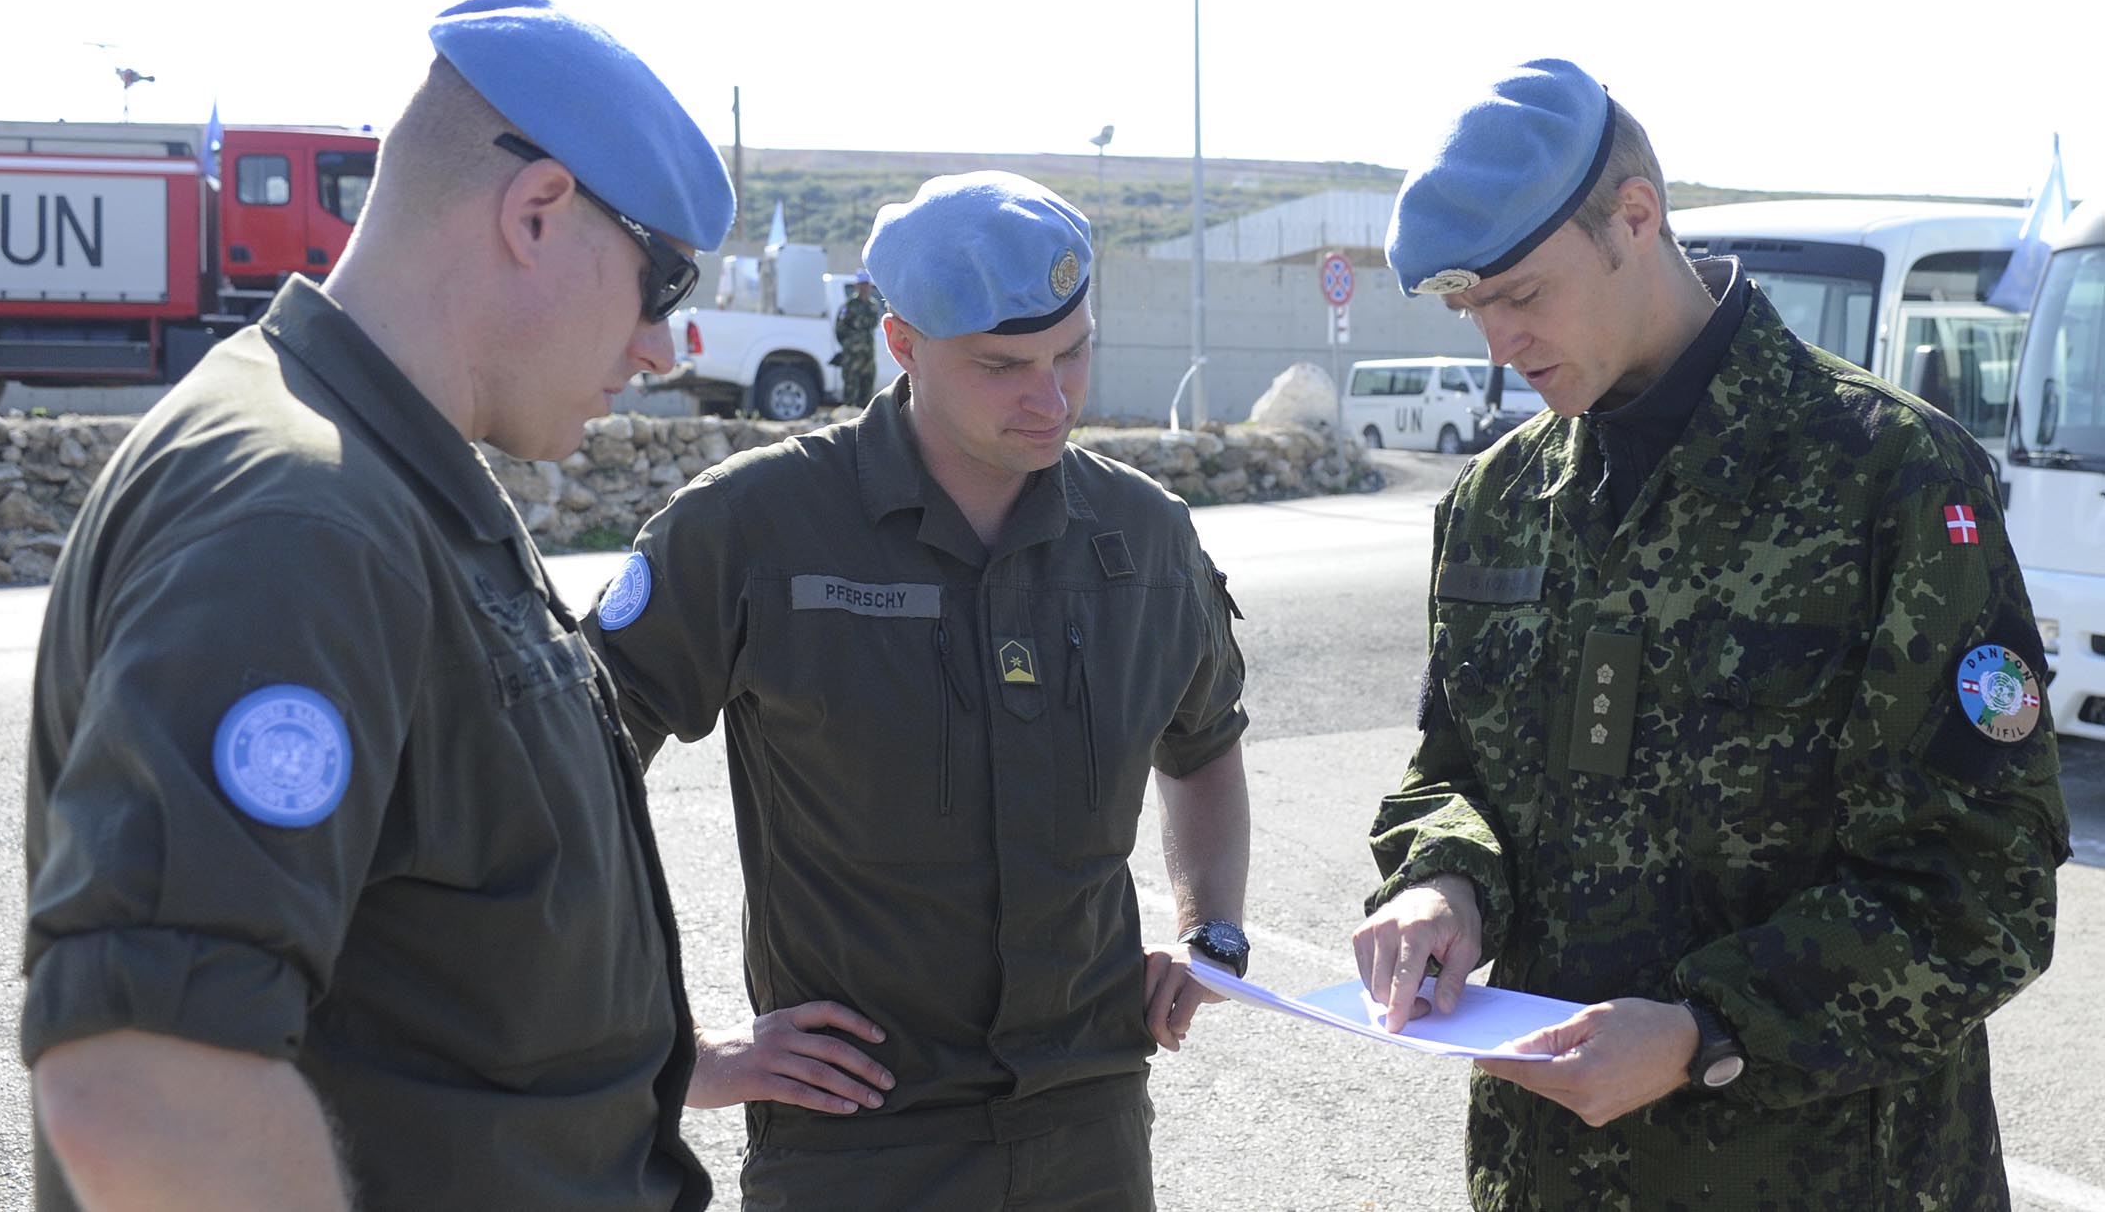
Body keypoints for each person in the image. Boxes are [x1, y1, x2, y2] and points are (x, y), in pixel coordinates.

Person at [21, 0, 735, 1212]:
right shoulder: (298, 516)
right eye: (657, 283)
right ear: (537, 212)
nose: (664, 347)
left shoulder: (396, 476)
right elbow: (146, 1092)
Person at [1352, 58, 2070, 1210]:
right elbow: (1452, 775)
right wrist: (1442, 885)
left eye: (1519, 294)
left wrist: (1704, 1030)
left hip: (1826, 1178)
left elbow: (1981, 890)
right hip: (1549, 1175)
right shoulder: (1495, 499)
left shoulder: (1882, 475)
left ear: (1633, 218)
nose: (1494, 343)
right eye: (1465, 308)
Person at [582, 170, 1253, 1210]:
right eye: (1002, 366)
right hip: (856, 1142)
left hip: (1089, 1127)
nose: (1052, 396)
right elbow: (567, 774)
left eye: (1071, 352)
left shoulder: (1143, 537)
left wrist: (1213, 927)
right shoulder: (754, 527)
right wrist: (667, 1046)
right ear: (901, 345)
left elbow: (1202, 741)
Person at [835, 268, 883, 405]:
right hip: (852, 357)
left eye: (866, 284)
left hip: (868, 356)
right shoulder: (849, 306)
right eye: (862, 284)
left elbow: (873, 325)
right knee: (851, 390)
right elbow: (839, 330)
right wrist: (850, 345)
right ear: (857, 286)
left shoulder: (873, 305)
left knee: (867, 392)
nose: (864, 288)